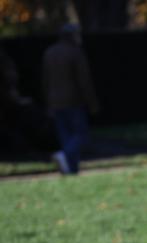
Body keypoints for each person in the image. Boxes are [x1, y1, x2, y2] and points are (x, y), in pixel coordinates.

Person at [42, 23, 99, 175]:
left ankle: (71, 169)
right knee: (81, 135)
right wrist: (92, 102)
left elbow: (45, 81)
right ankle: (65, 156)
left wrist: (48, 103)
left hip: (55, 102)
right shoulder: (75, 52)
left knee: (66, 136)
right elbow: (84, 81)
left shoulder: (49, 52)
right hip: (73, 101)